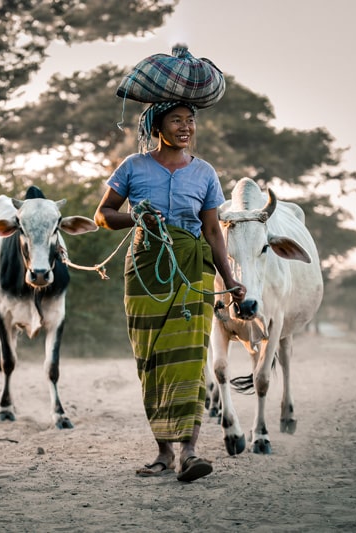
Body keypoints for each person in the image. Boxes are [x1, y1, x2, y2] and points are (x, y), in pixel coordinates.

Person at [94, 100, 246, 482]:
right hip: (146, 271)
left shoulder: (205, 173)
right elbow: (103, 215)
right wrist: (136, 216)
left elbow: (212, 232)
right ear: (155, 125)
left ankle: (189, 452)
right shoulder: (132, 166)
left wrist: (229, 281)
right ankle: (163, 451)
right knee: (152, 362)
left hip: (193, 271)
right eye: (176, 120)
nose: (185, 127)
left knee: (190, 359)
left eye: (190, 120)